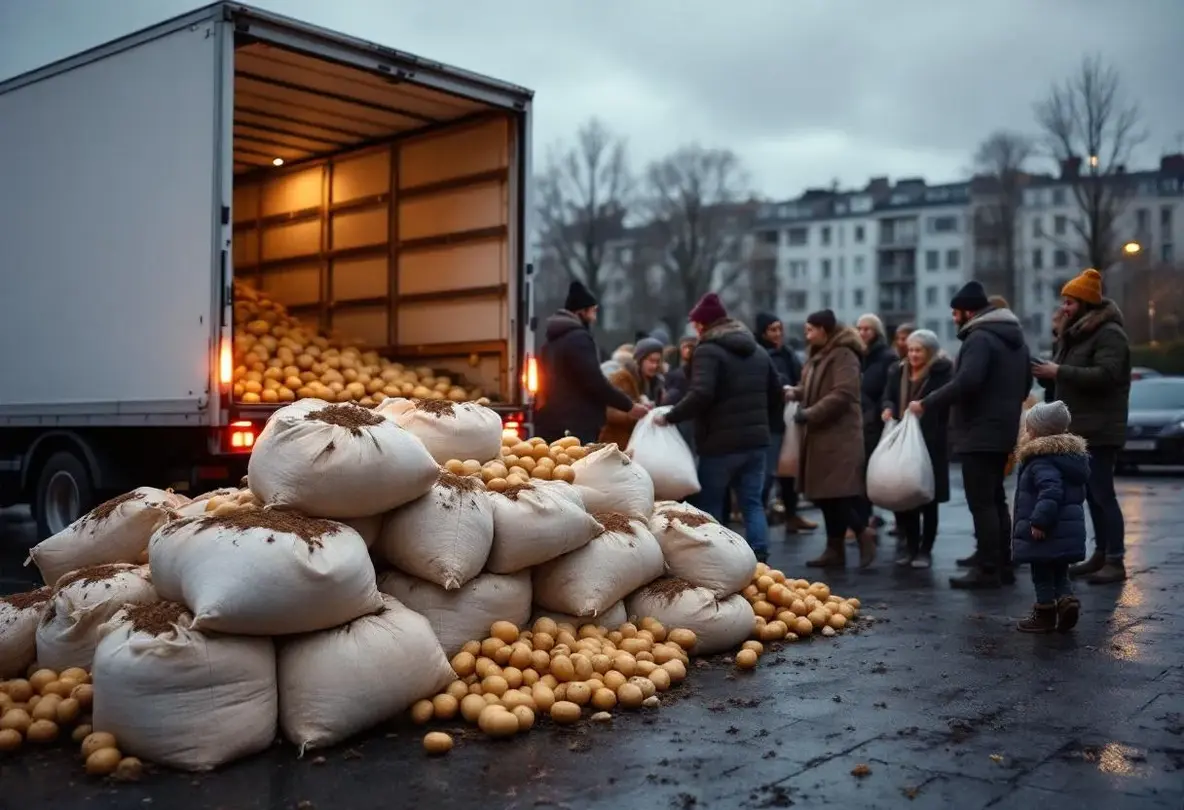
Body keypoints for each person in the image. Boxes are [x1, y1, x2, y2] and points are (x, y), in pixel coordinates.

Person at [911, 281, 1031, 589]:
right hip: (1002, 429)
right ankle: (1002, 563)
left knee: (982, 503)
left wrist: (927, 402)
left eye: (955, 312)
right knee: (995, 499)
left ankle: (988, 569)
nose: (954, 318)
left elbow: (968, 381)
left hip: (979, 431)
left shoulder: (980, 338)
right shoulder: (1015, 339)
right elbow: (1026, 384)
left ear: (968, 311)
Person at [658, 293, 783, 563]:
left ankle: (717, 560)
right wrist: (762, 423)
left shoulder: (708, 350)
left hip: (720, 444)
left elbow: (702, 393)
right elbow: (776, 391)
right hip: (756, 442)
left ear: (704, 324)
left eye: (696, 324)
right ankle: (759, 556)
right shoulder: (758, 351)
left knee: (711, 505)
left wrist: (671, 415)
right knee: (752, 503)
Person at [1032, 268, 1131, 584]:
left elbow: (1106, 375)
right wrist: (1049, 372)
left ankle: (1115, 559)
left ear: (1087, 304)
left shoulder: (1109, 334)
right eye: (1064, 301)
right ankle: (1101, 554)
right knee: (1091, 494)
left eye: (1071, 302)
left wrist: (1059, 371)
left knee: (1103, 494)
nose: (1064, 307)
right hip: (1081, 428)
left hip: (1100, 428)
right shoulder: (1077, 333)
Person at [788, 309, 875, 568]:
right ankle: (834, 549)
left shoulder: (844, 355)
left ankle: (862, 532)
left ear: (824, 330)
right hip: (821, 435)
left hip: (839, 437)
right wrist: (795, 392)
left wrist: (811, 413)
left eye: (810, 329)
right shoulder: (819, 355)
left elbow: (844, 392)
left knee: (838, 495)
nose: (807, 334)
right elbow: (814, 388)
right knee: (825, 496)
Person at [535, 281, 649, 443]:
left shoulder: (551, 341)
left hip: (552, 421)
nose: (595, 318)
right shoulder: (579, 338)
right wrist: (629, 406)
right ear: (582, 312)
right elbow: (595, 382)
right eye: (593, 312)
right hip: (576, 424)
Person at [1010, 400, 1088, 633]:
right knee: (1060, 570)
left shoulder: (1042, 460)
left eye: (1029, 426)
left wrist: (1039, 521)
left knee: (1042, 572)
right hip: (1065, 530)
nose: (1026, 430)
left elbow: (1051, 492)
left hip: (1046, 528)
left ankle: (1044, 613)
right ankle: (1066, 601)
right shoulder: (1069, 458)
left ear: (1036, 431)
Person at [880, 329, 953, 568]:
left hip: (930, 441)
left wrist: (924, 408)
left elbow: (945, 402)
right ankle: (910, 546)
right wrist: (889, 407)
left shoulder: (941, 372)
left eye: (918, 350)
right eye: (910, 349)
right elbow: (887, 395)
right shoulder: (898, 371)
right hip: (903, 439)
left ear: (929, 351)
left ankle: (925, 549)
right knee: (905, 492)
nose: (912, 354)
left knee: (927, 497)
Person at [754, 312, 816, 533]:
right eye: (772, 329)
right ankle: (758, 518)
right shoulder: (758, 354)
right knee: (768, 473)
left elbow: (800, 378)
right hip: (768, 421)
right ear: (763, 332)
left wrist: (795, 390)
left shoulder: (788, 354)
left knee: (789, 471)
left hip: (788, 418)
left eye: (779, 329)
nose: (778, 334)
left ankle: (792, 514)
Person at [856, 313, 897, 534]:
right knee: (860, 473)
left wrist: (878, 411)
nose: (862, 333)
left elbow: (887, 390)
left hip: (876, 422)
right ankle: (865, 518)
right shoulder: (858, 356)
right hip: (859, 421)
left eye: (867, 329)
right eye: (859, 328)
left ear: (876, 331)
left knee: (875, 472)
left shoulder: (886, 357)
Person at [600, 338, 665, 449]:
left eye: (657, 361)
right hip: (616, 444)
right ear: (640, 360)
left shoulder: (655, 383)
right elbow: (609, 412)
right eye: (651, 361)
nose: (654, 366)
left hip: (637, 444)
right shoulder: (622, 379)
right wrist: (637, 414)